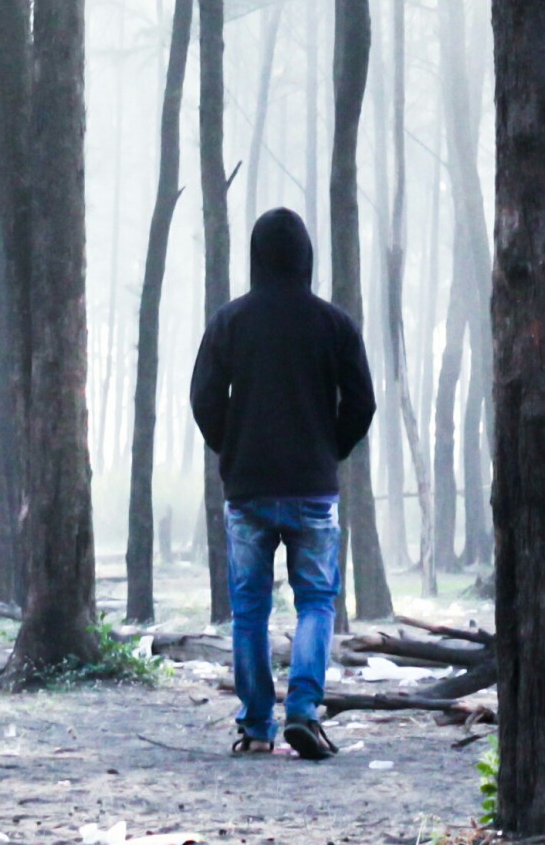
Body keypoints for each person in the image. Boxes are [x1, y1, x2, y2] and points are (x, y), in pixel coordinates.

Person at [188, 206, 377, 758]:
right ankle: (302, 711)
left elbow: (203, 399)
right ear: (306, 258)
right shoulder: (335, 324)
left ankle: (254, 727)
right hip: (313, 488)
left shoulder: (229, 321)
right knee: (317, 602)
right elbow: (361, 403)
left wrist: (233, 446)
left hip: (248, 490)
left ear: (256, 257)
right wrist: (330, 448)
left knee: (249, 609)